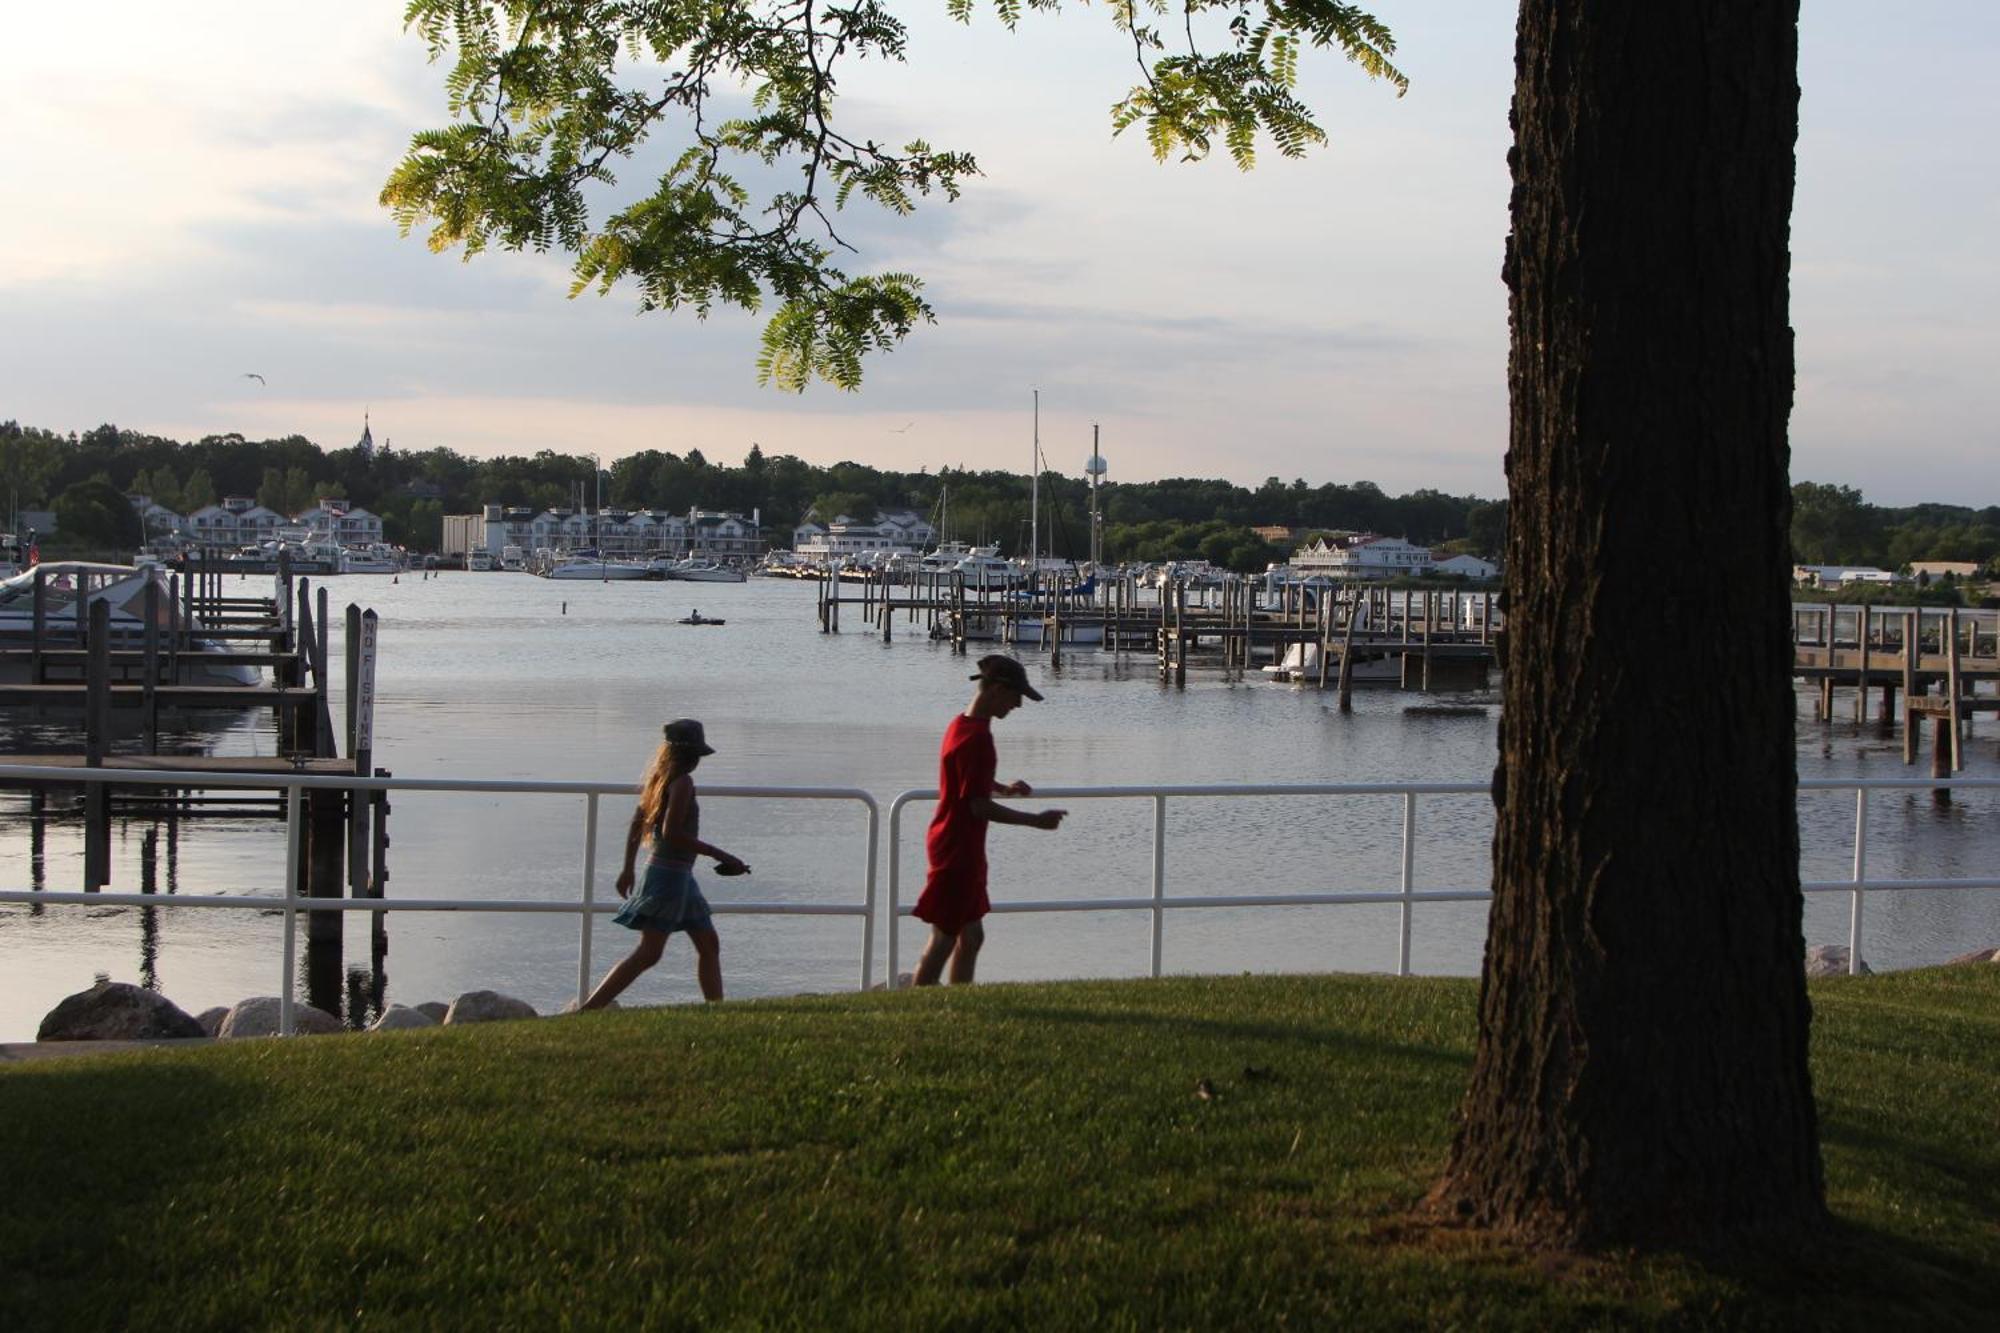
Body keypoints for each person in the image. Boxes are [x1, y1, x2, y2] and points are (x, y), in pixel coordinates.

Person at [913, 654, 1067, 986]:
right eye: (1016, 697)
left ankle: (959, 1002)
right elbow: (977, 806)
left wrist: (1002, 788)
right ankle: (915, 1008)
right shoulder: (978, 739)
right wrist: (1034, 820)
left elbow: (967, 782)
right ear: (997, 690)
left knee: (970, 937)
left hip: (954, 843)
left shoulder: (961, 725)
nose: (1018, 706)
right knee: (943, 938)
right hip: (958, 849)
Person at [582, 718, 749, 1008]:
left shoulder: (658, 778)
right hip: (670, 877)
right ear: (692, 756)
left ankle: (718, 1010)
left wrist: (628, 868)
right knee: (649, 953)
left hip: (672, 873)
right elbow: (673, 833)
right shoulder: (683, 782)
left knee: (708, 944)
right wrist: (721, 854)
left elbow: (637, 824)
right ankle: (588, 1010)